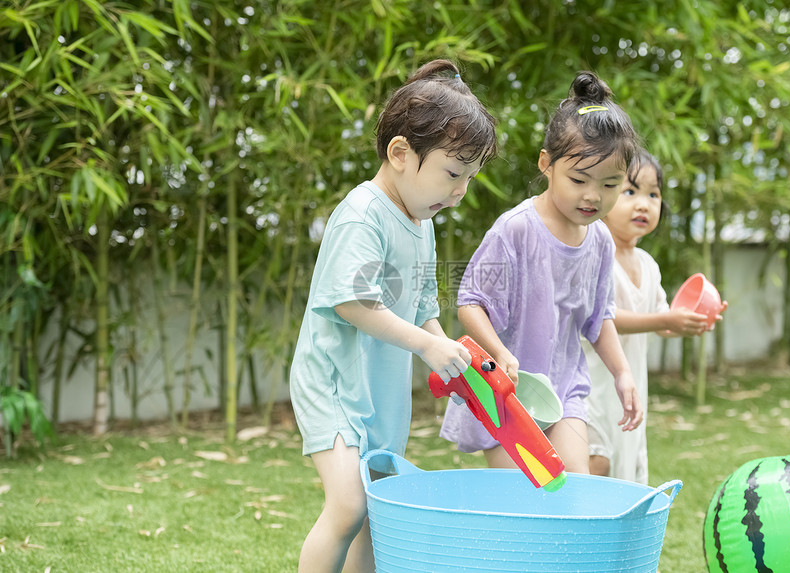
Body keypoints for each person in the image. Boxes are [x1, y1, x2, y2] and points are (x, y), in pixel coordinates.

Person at [289, 59, 497, 573]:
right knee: (348, 505)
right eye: (453, 173)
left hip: (381, 391)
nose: (460, 193)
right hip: (334, 383)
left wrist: (449, 349)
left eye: (469, 178)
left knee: (380, 512)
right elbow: (353, 302)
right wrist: (427, 346)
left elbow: (423, 307)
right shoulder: (363, 213)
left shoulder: (420, 221)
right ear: (401, 153)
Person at [439, 70, 643, 475]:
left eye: (610, 185)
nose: (592, 195)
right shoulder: (516, 229)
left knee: (571, 486)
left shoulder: (601, 241)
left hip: (565, 387)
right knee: (524, 496)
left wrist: (623, 374)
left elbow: (598, 318)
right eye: (579, 179)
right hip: (505, 394)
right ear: (546, 164)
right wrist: (500, 354)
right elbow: (470, 303)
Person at [585, 149, 727, 484]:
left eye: (653, 194)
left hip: (629, 388)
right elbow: (601, 316)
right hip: (592, 385)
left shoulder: (648, 263)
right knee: (596, 461)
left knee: (624, 469)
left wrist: (690, 320)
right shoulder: (592, 249)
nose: (644, 204)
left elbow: (662, 318)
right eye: (630, 191)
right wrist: (665, 321)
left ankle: (615, 536)